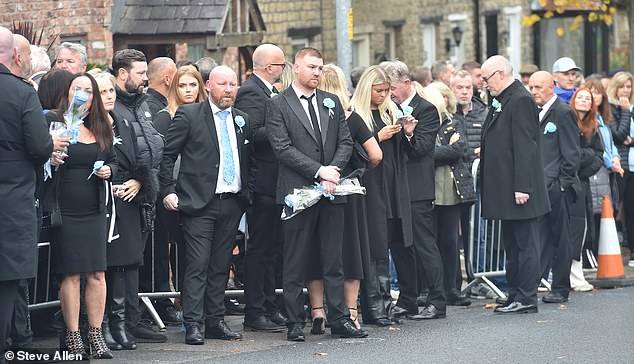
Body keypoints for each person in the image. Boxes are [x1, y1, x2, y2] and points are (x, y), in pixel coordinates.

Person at [266, 47, 365, 341]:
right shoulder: (279, 104)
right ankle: (295, 322)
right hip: (298, 192)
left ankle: (339, 319)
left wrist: (333, 170)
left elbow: (345, 142)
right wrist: (319, 171)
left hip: (332, 191)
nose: (317, 73)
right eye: (311, 67)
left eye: (320, 68)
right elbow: (281, 147)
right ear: (296, 68)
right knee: (295, 259)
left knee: (333, 258)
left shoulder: (331, 101)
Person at [160, 65, 255, 345]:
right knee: (198, 264)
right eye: (223, 84)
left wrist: (246, 193)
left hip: (232, 202)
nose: (229, 90)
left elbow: (248, 160)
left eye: (233, 84)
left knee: (220, 265)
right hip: (199, 203)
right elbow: (167, 156)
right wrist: (168, 190)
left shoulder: (242, 119)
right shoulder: (190, 115)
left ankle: (215, 320)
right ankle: (193, 323)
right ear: (209, 86)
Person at [306, 64, 382, 331]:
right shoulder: (351, 119)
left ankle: (318, 311)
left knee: (316, 250)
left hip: (315, 191)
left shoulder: (311, 119)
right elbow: (376, 155)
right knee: (351, 251)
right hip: (348, 191)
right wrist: (358, 171)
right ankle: (351, 312)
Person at [49, 72, 117, 358]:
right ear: (68, 93)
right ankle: (73, 335)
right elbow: (39, 157)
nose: (82, 95)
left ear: (95, 97)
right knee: (72, 273)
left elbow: (115, 159)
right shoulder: (55, 123)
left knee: (98, 273)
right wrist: (50, 158)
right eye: (77, 89)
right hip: (65, 209)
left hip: (94, 209)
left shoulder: (102, 126)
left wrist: (109, 170)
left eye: (88, 91)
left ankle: (96, 334)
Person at [0, 26, 55, 362]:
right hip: (11, 203)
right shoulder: (20, 93)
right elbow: (40, 146)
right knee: (7, 280)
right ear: (17, 57)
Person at [479, 55, 549, 314]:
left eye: (486, 79)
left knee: (525, 244)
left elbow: (525, 146)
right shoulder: (504, 99)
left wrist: (523, 186)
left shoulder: (519, 99)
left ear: (499, 73)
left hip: (520, 189)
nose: (484, 84)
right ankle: (515, 292)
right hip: (508, 189)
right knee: (512, 244)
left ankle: (527, 297)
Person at [381, 60, 446, 320]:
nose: (390, 93)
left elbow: (421, 149)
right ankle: (407, 299)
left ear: (407, 83)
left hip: (417, 189)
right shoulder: (387, 109)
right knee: (399, 245)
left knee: (424, 245)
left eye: (393, 88)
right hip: (393, 188)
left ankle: (437, 301)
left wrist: (408, 135)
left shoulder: (426, 110)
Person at [110, 49, 166, 343]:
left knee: (135, 259)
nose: (146, 78)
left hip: (144, 190)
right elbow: (115, 151)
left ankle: (132, 318)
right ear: (123, 73)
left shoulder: (142, 104)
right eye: (141, 73)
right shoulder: (112, 105)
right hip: (121, 192)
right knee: (120, 262)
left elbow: (154, 146)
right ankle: (117, 322)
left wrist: (144, 180)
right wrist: (133, 179)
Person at [234, 43, 288, 333]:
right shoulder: (251, 92)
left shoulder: (272, 92)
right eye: (281, 65)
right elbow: (253, 133)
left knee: (273, 249)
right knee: (259, 248)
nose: (283, 69)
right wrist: (285, 124)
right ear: (270, 68)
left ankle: (269, 304)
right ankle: (255, 309)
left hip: (276, 183)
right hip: (262, 182)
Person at [350, 66, 403, 327]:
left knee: (385, 244)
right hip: (369, 185)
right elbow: (353, 153)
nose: (383, 95)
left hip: (389, 183)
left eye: (387, 91)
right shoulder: (357, 116)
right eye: (379, 91)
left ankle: (385, 304)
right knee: (373, 246)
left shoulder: (389, 111)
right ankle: (374, 307)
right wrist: (377, 138)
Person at [528, 71, 580, 304]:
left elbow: (571, 154)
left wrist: (562, 184)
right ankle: (531, 286)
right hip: (541, 187)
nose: (534, 92)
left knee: (561, 239)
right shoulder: (535, 112)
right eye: (531, 87)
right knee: (541, 237)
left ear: (552, 87)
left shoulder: (563, 112)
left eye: (538, 87)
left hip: (557, 187)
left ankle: (560, 287)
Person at [426, 81, 476, 306]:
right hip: (428, 190)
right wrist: (440, 151)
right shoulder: (423, 125)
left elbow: (459, 150)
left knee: (450, 241)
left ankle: (452, 288)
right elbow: (421, 152)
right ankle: (433, 289)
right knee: (431, 242)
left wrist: (435, 152)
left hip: (452, 191)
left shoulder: (453, 123)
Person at [139, 56, 179, 325]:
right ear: (168, 78)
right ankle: (158, 300)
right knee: (156, 250)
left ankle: (162, 298)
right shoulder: (154, 109)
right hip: (154, 190)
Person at [584, 76, 622, 267]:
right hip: (596, 171)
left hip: (607, 172)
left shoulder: (603, 118)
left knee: (607, 212)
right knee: (595, 214)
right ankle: (592, 258)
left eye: (598, 92)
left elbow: (610, 144)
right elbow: (597, 148)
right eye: (591, 91)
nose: (594, 96)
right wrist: (610, 162)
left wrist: (616, 158)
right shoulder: (588, 118)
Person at [569, 88, 604, 286]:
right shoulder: (567, 119)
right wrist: (585, 156)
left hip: (582, 182)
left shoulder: (594, 126)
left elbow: (598, 155)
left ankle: (576, 275)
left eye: (587, 99)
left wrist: (582, 168)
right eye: (580, 97)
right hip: (566, 181)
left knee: (580, 230)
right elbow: (571, 155)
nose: (584, 101)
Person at [606, 72, 634, 266]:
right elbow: (618, 135)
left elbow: (627, 138)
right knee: (615, 208)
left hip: (633, 164)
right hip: (621, 166)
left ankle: (632, 252)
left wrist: (630, 141)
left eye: (629, 86)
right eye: (623, 86)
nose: (626, 90)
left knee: (632, 211)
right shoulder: (612, 108)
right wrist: (625, 111)